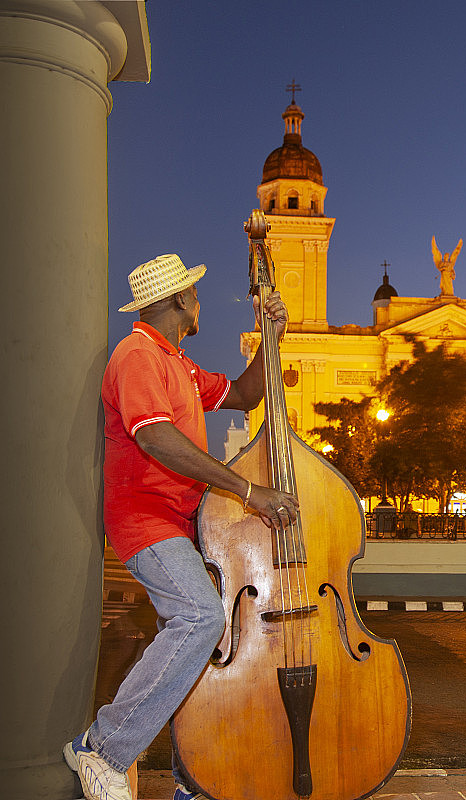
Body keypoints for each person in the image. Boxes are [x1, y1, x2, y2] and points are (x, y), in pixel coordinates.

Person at [63, 254, 299, 800]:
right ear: (178, 302)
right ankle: (102, 749)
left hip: (187, 521)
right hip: (146, 519)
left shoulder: (180, 364)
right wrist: (245, 489)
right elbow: (154, 437)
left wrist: (272, 337)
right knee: (198, 617)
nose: (199, 302)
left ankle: (195, 779)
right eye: (193, 295)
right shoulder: (137, 355)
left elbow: (243, 394)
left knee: (215, 644)